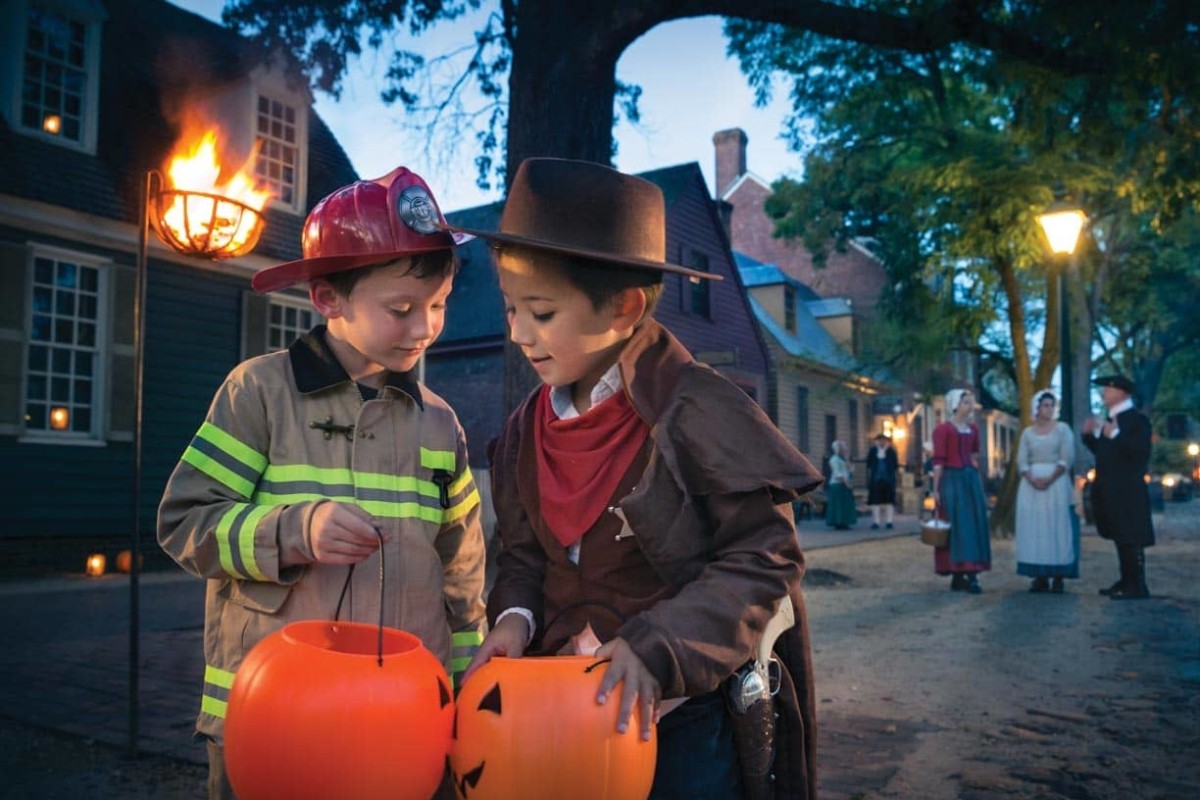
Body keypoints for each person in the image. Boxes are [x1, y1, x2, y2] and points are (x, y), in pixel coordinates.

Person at [454, 158, 824, 799]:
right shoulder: (522, 430)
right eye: (512, 309)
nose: (517, 333)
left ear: (624, 307)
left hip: (680, 722)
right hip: (555, 714)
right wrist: (513, 617)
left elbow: (765, 561)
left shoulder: (699, 409)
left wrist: (659, 648)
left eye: (540, 312)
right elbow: (521, 556)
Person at [157, 167, 487, 799]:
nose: (424, 328)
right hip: (272, 720)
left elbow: (463, 576)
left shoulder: (441, 424)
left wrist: (467, 686)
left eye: (439, 305)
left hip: (404, 723)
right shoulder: (258, 392)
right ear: (327, 299)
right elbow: (184, 524)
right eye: (401, 309)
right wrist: (293, 530)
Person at [1081, 374, 1155, 600]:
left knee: (1130, 536)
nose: (1103, 393)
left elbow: (1138, 453)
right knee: (1119, 535)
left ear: (1122, 393)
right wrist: (1089, 437)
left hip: (1127, 490)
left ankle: (1137, 584)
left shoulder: (1135, 421)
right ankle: (1126, 580)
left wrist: (1114, 434)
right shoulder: (1112, 420)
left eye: (1108, 389)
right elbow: (1108, 456)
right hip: (1110, 488)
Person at [1014, 390, 1079, 593]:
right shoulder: (1027, 433)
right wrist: (1031, 478)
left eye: (1052, 405)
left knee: (1056, 526)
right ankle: (1039, 575)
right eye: (1045, 405)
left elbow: (1066, 457)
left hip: (1056, 484)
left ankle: (1059, 575)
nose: (1049, 409)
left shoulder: (1062, 430)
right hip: (1031, 486)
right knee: (1035, 528)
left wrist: (1050, 478)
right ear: (1037, 408)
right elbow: (1022, 460)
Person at [931, 388, 992, 593]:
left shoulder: (973, 429)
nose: (969, 406)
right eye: (966, 402)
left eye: (970, 402)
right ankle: (960, 573)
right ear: (955, 405)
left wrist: (975, 479)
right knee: (957, 525)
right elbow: (938, 461)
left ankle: (970, 572)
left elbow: (974, 455)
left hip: (970, 480)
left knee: (973, 524)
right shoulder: (943, 430)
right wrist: (936, 489)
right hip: (952, 479)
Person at [866, 432, 899, 529]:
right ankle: (876, 522)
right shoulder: (872, 451)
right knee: (875, 501)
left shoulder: (891, 452)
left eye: (883, 440)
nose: (882, 442)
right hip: (876, 479)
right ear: (877, 441)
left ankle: (889, 521)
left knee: (889, 501)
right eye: (880, 440)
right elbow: (869, 465)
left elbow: (895, 465)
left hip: (888, 480)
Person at [825, 440, 858, 530]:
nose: (844, 449)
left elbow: (851, 470)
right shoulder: (834, 459)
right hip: (837, 484)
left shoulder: (845, 459)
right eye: (842, 447)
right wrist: (846, 483)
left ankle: (845, 522)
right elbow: (837, 473)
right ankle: (838, 523)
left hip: (845, 483)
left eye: (844, 447)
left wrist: (847, 459)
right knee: (838, 505)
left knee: (846, 504)